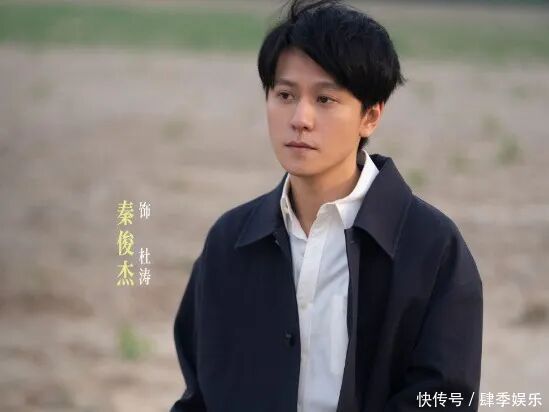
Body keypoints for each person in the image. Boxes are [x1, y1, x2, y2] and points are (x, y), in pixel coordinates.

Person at [170, 0, 483, 411]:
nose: (300, 118)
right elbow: (200, 394)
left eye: (325, 99)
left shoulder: (431, 247)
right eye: (285, 94)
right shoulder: (230, 241)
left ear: (370, 116)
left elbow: (444, 398)